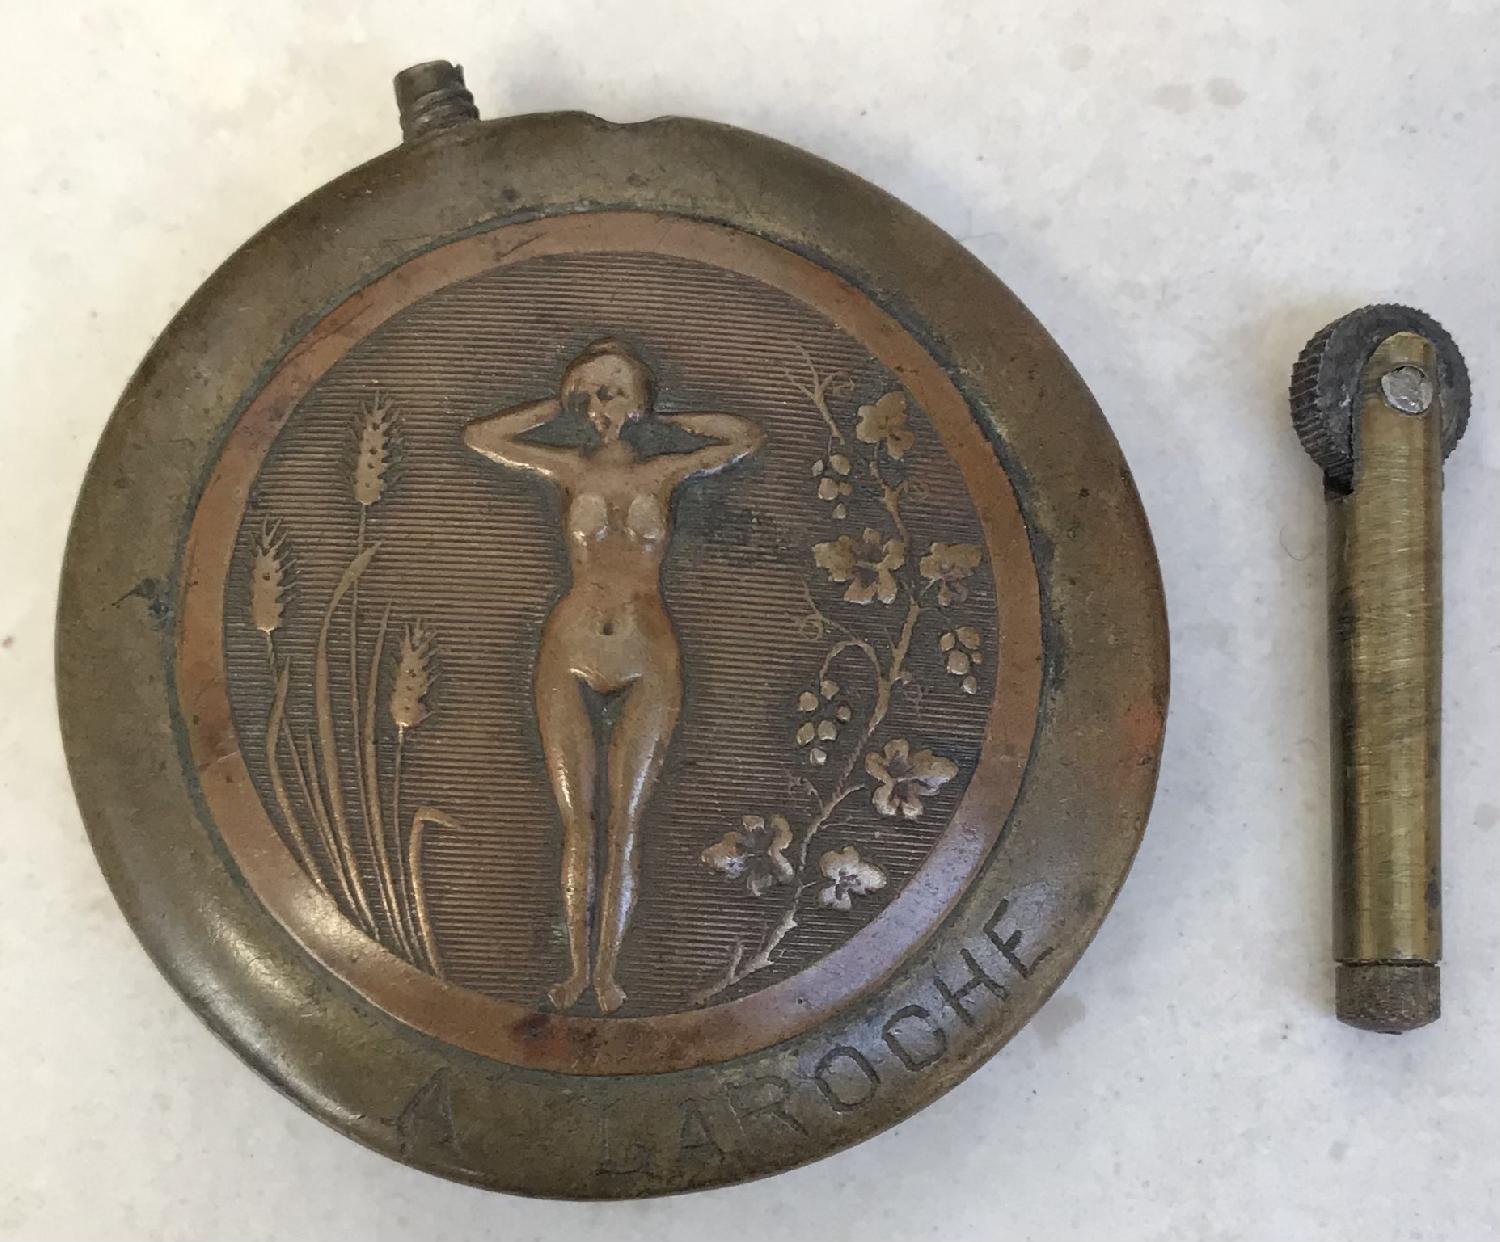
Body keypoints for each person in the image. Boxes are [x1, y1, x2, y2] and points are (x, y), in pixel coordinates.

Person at [464, 339, 765, 1012]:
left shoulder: (664, 472)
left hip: (646, 652)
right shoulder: (569, 468)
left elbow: (744, 437)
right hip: (570, 648)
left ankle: (608, 977)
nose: (599, 409)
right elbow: (480, 437)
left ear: (638, 400)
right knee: (578, 820)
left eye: (613, 393)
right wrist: (554, 405)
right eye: (589, 396)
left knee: (626, 821)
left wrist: (671, 417)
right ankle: (574, 972)